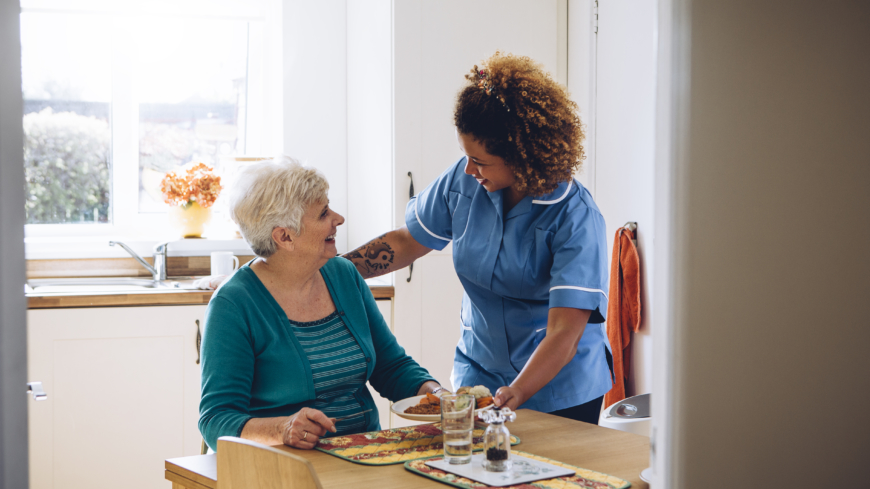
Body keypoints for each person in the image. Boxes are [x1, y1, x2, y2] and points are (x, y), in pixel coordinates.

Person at [344, 52, 612, 424]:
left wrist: (518, 391)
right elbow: (407, 242)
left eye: (481, 161)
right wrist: (334, 271)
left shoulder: (575, 216)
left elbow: (565, 331)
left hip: (558, 388)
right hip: (480, 375)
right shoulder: (465, 179)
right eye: (465, 156)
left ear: (522, 155)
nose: (469, 169)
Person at [199, 157, 442, 451]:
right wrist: (283, 428)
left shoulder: (343, 275)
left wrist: (436, 394)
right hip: (283, 467)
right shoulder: (234, 304)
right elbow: (216, 419)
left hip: (363, 455)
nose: (338, 219)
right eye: (324, 213)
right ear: (285, 236)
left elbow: (391, 367)